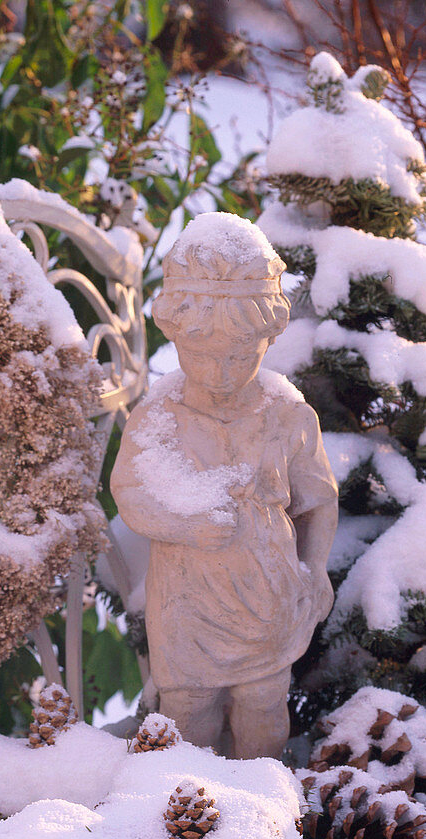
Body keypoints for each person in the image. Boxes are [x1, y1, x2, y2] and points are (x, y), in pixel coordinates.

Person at [111, 212, 338, 759]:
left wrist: (317, 570)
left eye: (239, 355)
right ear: (175, 337)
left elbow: (318, 500)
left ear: (267, 339)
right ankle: (188, 810)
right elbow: (131, 494)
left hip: (267, 593)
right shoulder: (159, 415)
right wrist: (185, 525)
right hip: (188, 601)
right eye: (202, 355)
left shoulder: (286, 413)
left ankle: (261, 800)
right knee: (189, 708)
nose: (219, 371)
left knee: (263, 703)